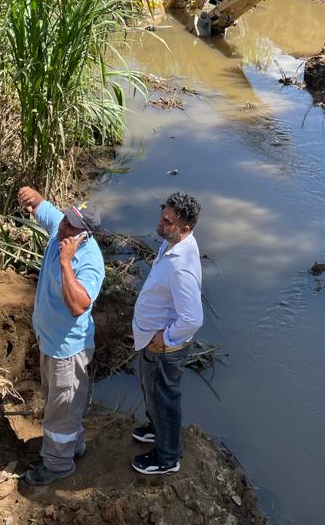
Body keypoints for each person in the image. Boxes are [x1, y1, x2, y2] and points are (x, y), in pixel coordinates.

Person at [17, 186, 104, 486]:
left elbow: (79, 305)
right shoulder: (62, 230)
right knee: (57, 402)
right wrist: (35, 198)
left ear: (85, 235)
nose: (64, 227)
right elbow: (47, 212)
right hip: (49, 342)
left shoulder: (88, 261)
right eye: (66, 220)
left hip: (68, 351)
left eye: (72, 227)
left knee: (62, 408)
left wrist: (66, 263)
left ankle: (57, 464)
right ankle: (73, 444)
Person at [131, 192, 203, 476]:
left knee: (164, 397)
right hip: (152, 339)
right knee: (152, 390)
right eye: (163, 215)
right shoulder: (173, 243)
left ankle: (167, 456)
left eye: (167, 221)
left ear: (185, 229)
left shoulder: (181, 267)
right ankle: (155, 428)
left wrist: (165, 339)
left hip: (164, 349)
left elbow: (193, 317)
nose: (160, 223)